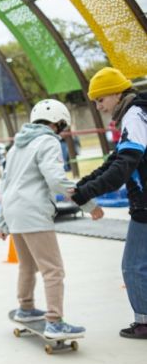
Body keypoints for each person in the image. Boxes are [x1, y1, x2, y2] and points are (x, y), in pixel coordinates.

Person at [0, 99, 101, 339]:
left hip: (14, 212)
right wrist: (88, 204)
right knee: (53, 270)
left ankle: (26, 308)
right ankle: (54, 321)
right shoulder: (48, 141)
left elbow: (7, 184)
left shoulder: (16, 146)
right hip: (32, 213)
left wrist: (2, 221)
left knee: (28, 265)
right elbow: (55, 179)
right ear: (58, 123)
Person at [69, 67, 147, 339]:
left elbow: (123, 168)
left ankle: (144, 323)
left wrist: (85, 193)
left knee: (133, 266)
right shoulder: (135, 114)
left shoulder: (134, 116)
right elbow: (115, 160)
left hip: (145, 207)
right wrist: (84, 185)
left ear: (116, 93)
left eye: (101, 99)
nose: (99, 106)